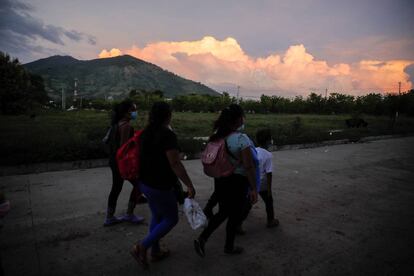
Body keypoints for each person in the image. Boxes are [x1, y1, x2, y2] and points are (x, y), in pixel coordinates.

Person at [130, 102, 195, 269]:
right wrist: (189, 184)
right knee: (171, 218)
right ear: (168, 115)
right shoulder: (167, 135)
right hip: (160, 186)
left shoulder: (145, 133)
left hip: (145, 184)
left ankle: (156, 251)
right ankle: (142, 246)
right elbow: (175, 163)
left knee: (158, 216)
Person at [194, 104, 258, 257]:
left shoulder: (218, 135)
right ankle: (220, 244)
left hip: (221, 179)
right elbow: (249, 167)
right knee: (233, 214)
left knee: (224, 212)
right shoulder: (242, 139)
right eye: (242, 116)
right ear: (237, 119)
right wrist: (254, 188)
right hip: (238, 182)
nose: (243, 119)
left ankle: (209, 240)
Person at [104, 99, 144, 226]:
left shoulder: (115, 124)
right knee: (139, 185)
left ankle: (109, 217)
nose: (135, 112)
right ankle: (129, 214)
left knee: (116, 187)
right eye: (133, 110)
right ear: (127, 112)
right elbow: (124, 149)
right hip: (122, 163)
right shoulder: (126, 126)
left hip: (113, 160)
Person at [255, 129, 279, 227]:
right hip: (263, 183)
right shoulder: (268, 155)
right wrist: (269, 189)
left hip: (253, 181)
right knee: (269, 201)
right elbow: (269, 173)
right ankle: (270, 220)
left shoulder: (255, 150)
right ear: (268, 141)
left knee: (247, 202)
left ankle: (238, 223)